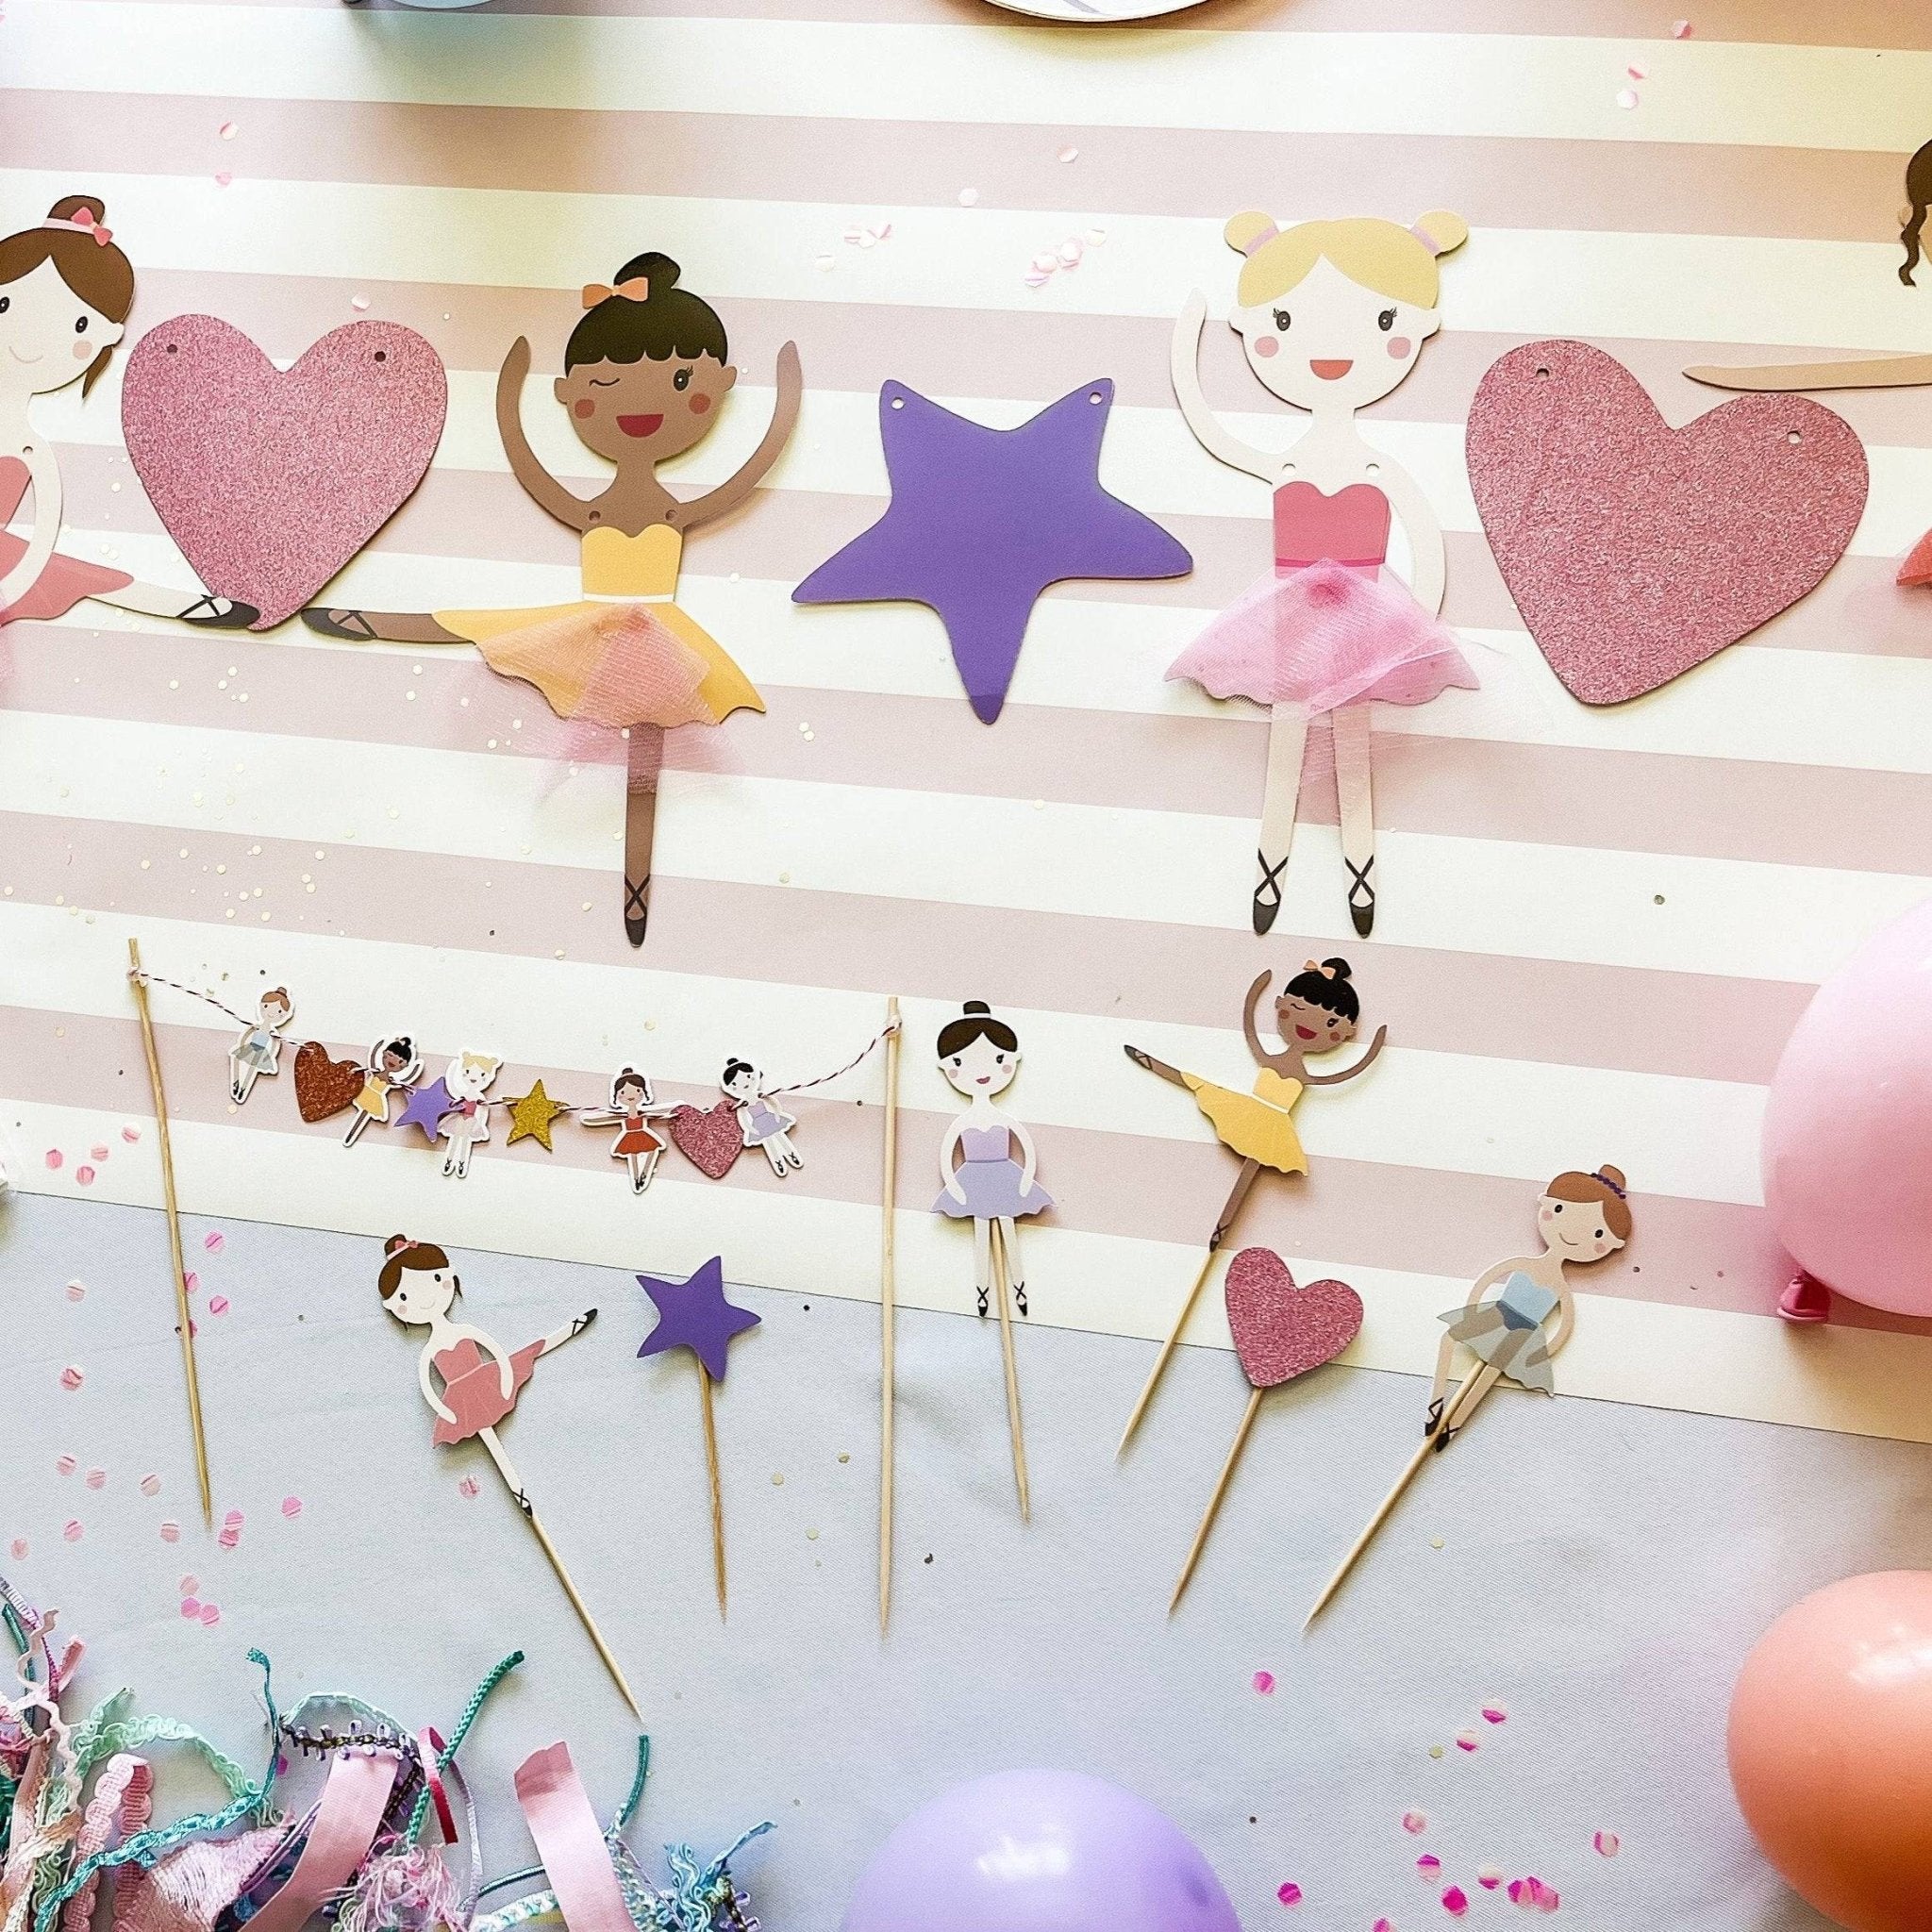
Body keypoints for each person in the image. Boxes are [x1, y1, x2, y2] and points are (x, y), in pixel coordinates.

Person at [302, 253, 801, 945]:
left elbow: (744, 477)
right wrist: (509, 399)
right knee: (483, 627)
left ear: (716, 386)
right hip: (591, 621)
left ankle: (635, 890)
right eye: (604, 385)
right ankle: (366, 621)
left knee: (646, 739)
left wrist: (785, 403)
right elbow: (533, 469)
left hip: (655, 632)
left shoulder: (669, 512)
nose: (639, 406)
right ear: (571, 396)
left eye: (683, 381)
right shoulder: (594, 510)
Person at [1169, 209, 1478, 934]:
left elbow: (1424, 540)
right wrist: (1188, 343)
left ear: (1413, 329)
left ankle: (1359, 877)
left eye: (1380, 321)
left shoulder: (1376, 466)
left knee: (1353, 746)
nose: (1333, 353)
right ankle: (1270, 872)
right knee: (1287, 737)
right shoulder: (1287, 462)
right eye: (1283, 321)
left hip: (1365, 621)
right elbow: (1216, 431)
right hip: (1288, 619)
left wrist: (1411, 629)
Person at [1, 196, 255, 628]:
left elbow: (41, 540)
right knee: (78, 574)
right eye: (4, 305)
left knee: (69, 572)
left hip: (10, 572)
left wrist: (12, 588)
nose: (27, 343)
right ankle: (181, 603)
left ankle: (180, 604)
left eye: (79, 325)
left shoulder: (29, 448)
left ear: (105, 337)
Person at [1125, 959, 1386, 1247]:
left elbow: (1343, 1074)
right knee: (1196, 1083)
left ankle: (1219, 1234)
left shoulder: (1303, 1074)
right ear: (1281, 1005)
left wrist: (1372, 1051)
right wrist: (1254, 995)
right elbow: (1250, 1024)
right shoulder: (1268, 1058)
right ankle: (1154, 1064)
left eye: (1331, 1023)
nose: (1309, 1026)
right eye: (1299, 1009)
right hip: (1246, 1111)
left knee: (1249, 1166)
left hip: (1274, 1127)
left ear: (1346, 1032)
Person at [1426, 1167, 1635, 1443]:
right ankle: (1435, 1406)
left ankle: (1452, 1426)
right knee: (1449, 1339)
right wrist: (1472, 1308)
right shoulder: (1524, 1264)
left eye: (1598, 1233)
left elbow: (1565, 1323)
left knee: (1490, 1372)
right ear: (1548, 1205)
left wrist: (1542, 1353)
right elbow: (1487, 1280)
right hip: (1496, 1314)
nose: (1572, 1234)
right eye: (1560, 1209)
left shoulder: (1560, 1286)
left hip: (1522, 1335)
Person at [376, 1235, 594, 1452]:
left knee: (532, 1351)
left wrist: (506, 1378)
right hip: (460, 1399)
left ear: (447, 1275)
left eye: (435, 1278)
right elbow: (427, 1385)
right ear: (393, 1306)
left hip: (487, 1379)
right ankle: (570, 1329)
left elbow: (495, 1351)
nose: (426, 1299)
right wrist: (446, 1412)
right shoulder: (430, 1349)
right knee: (486, 1430)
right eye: (404, 1297)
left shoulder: (464, 1330)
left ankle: (571, 1329)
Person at [934, 1002, 1052, 1317]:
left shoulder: (1004, 1119)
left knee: (1008, 1230)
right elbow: (947, 1156)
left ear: (1011, 1061)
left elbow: (1027, 1150)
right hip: (972, 1180)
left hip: (1005, 1177)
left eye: (999, 1059)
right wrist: (954, 1186)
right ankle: (983, 1293)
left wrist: (1026, 1179)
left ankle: (1019, 1290)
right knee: (981, 1234)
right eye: (961, 1061)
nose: (983, 1072)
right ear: (948, 1067)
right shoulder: (962, 1122)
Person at [228, 988, 293, 1105]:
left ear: (284, 1015)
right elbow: (246, 1035)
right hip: (250, 1047)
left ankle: (243, 1088)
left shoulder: (273, 1033)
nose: (271, 1013)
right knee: (236, 1059)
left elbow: (275, 1045)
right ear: (262, 1005)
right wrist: (241, 1044)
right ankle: (236, 1082)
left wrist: (270, 1056)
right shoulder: (256, 1026)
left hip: (261, 1052)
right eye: (267, 1006)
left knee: (252, 1070)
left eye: (279, 1012)